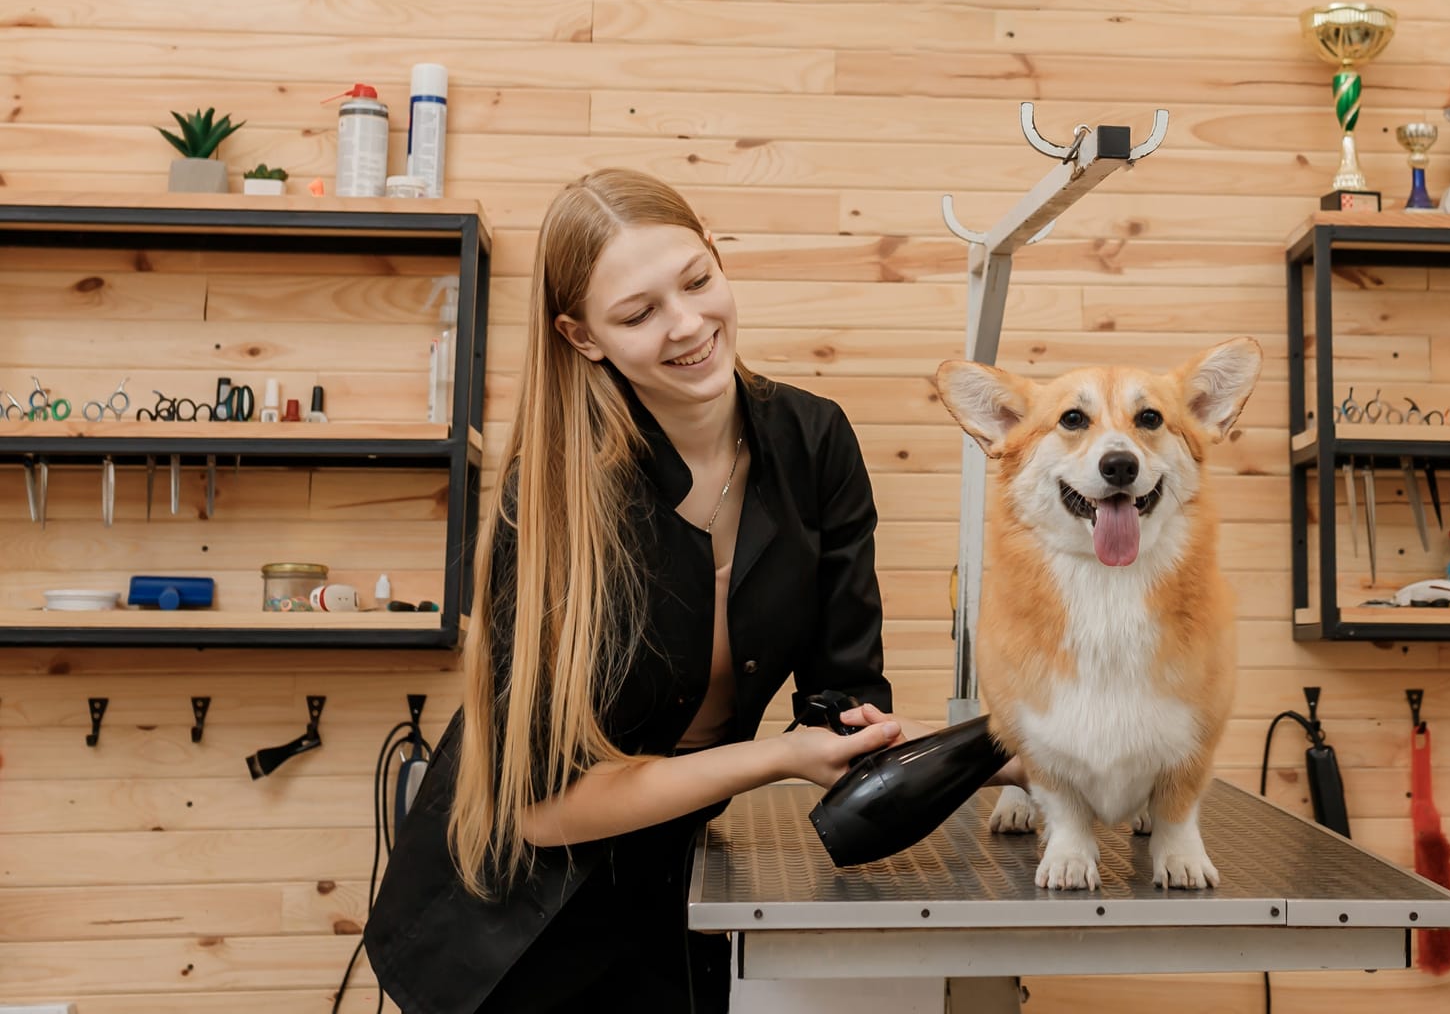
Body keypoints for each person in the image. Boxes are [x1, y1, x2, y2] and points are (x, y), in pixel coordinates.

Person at [364, 169, 1004, 1013]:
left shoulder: (815, 443)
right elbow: (544, 812)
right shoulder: (557, 495)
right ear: (582, 336)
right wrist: (775, 758)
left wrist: (1017, 756)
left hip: (679, 875)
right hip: (508, 928)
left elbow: (841, 711)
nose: (689, 325)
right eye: (637, 314)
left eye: (698, 281)